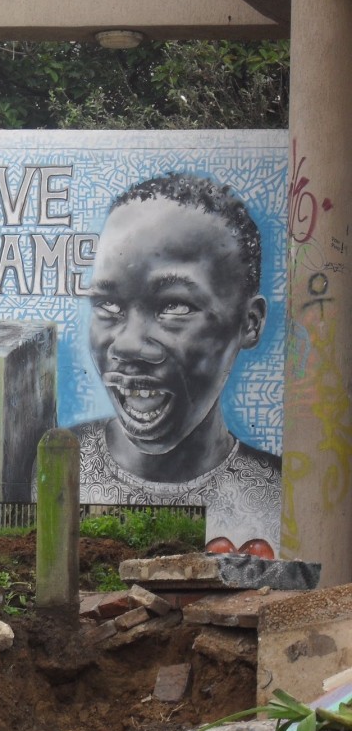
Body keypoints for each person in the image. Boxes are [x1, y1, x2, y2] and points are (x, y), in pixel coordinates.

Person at [72, 173, 281, 557]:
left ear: (249, 323)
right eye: (108, 305)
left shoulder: (283, 496)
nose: (129, 344)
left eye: (175, 306)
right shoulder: (47, 470)